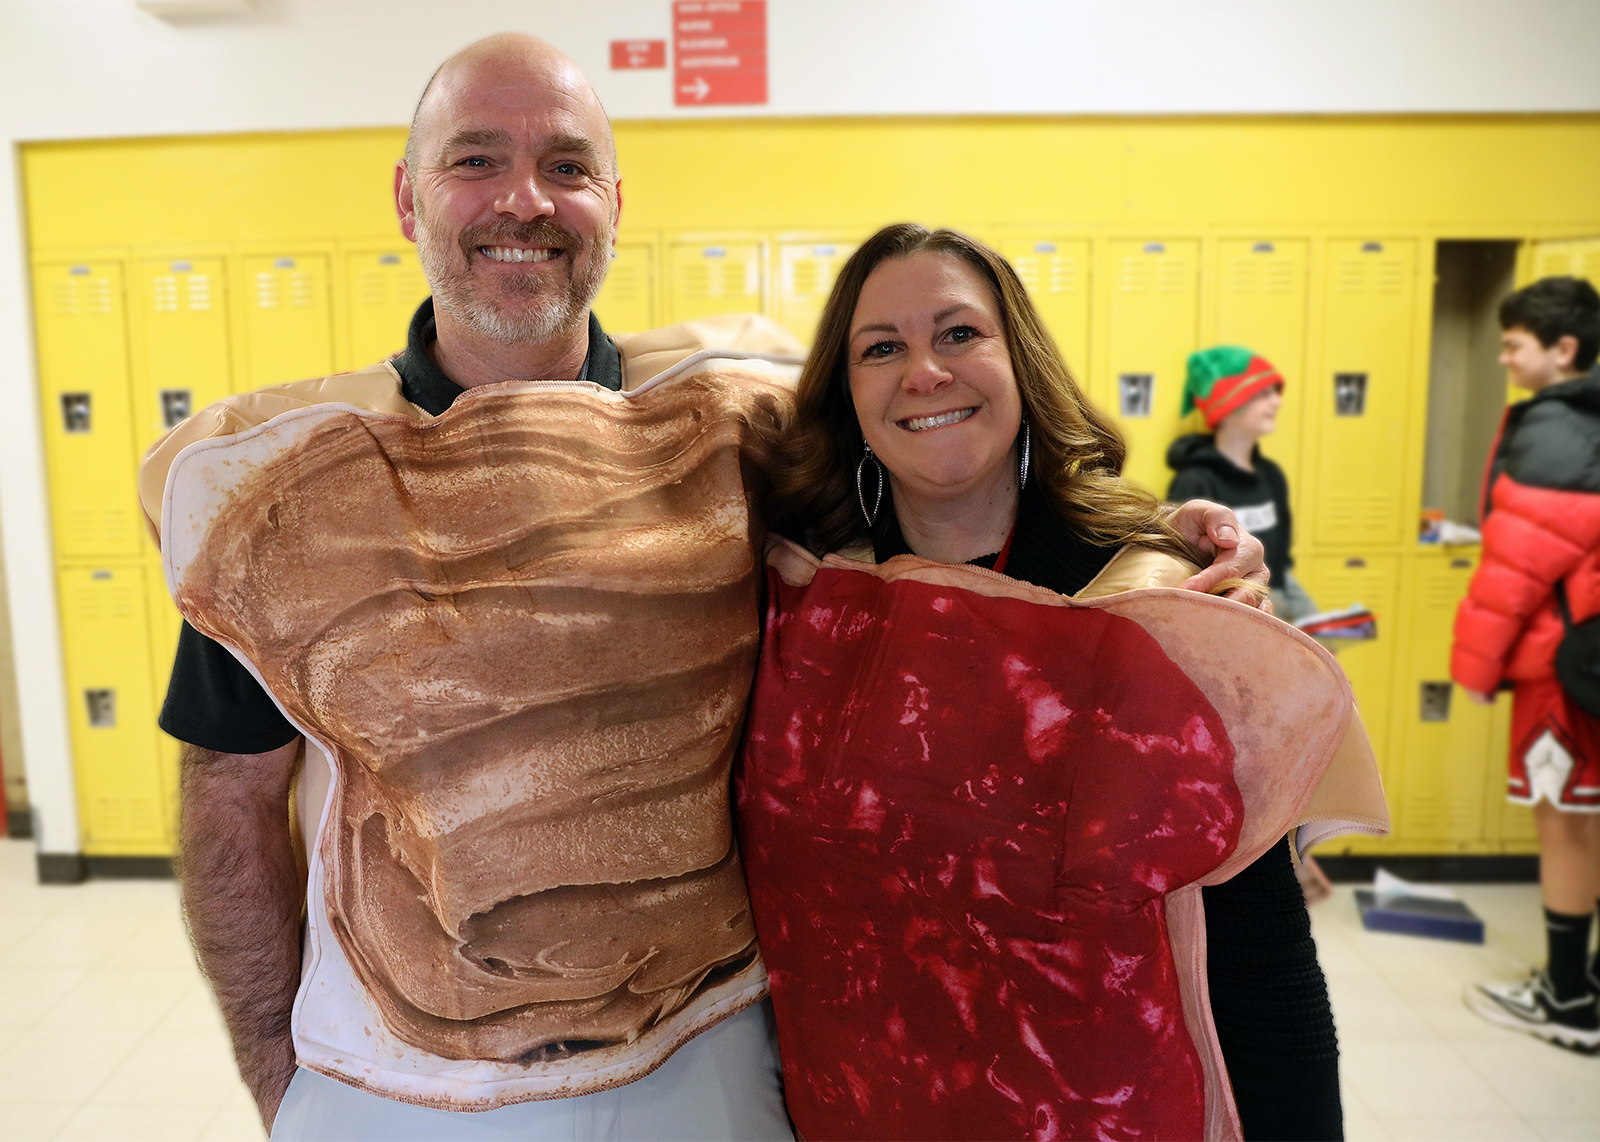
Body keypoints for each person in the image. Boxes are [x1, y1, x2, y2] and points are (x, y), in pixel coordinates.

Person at [136, 37, 1274, 1142]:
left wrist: (1150, 539)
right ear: (406, 198)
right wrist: (280, 1081)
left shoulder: (734, 422)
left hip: (704, 1052)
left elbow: (931, 512)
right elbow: (228, 798)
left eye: (568, 165)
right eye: (475, 158)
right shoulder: (281, 486)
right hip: (400, 1082)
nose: (524, 199)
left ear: (615, 203)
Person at [738, 225, 1385, 1140]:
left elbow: (1260, 955)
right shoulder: (805, 599)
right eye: (881, 347)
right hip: (856, 1103)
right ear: (847, 394)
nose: (925, 371)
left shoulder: (1156, 603)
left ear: (1019, 358)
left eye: (960, 333)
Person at [1453, 275, 1600, 1053]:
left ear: (1563, 348)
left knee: (1566, 823)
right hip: (1592, 659)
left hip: (1560, 666)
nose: (1506, 357)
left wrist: (1475, 672)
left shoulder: (1552, 434)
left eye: (1515, 344)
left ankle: (1567, 999)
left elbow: (1513, 578)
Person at [1167, 347, 1316, 621]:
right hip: (1231, 613)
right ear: (1230, 403)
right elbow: (1194, 578)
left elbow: (1279, 564)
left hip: (1275, 600)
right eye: (1264, 394)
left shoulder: (1271, 475)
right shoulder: (1195, 481)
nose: (1276, 403)